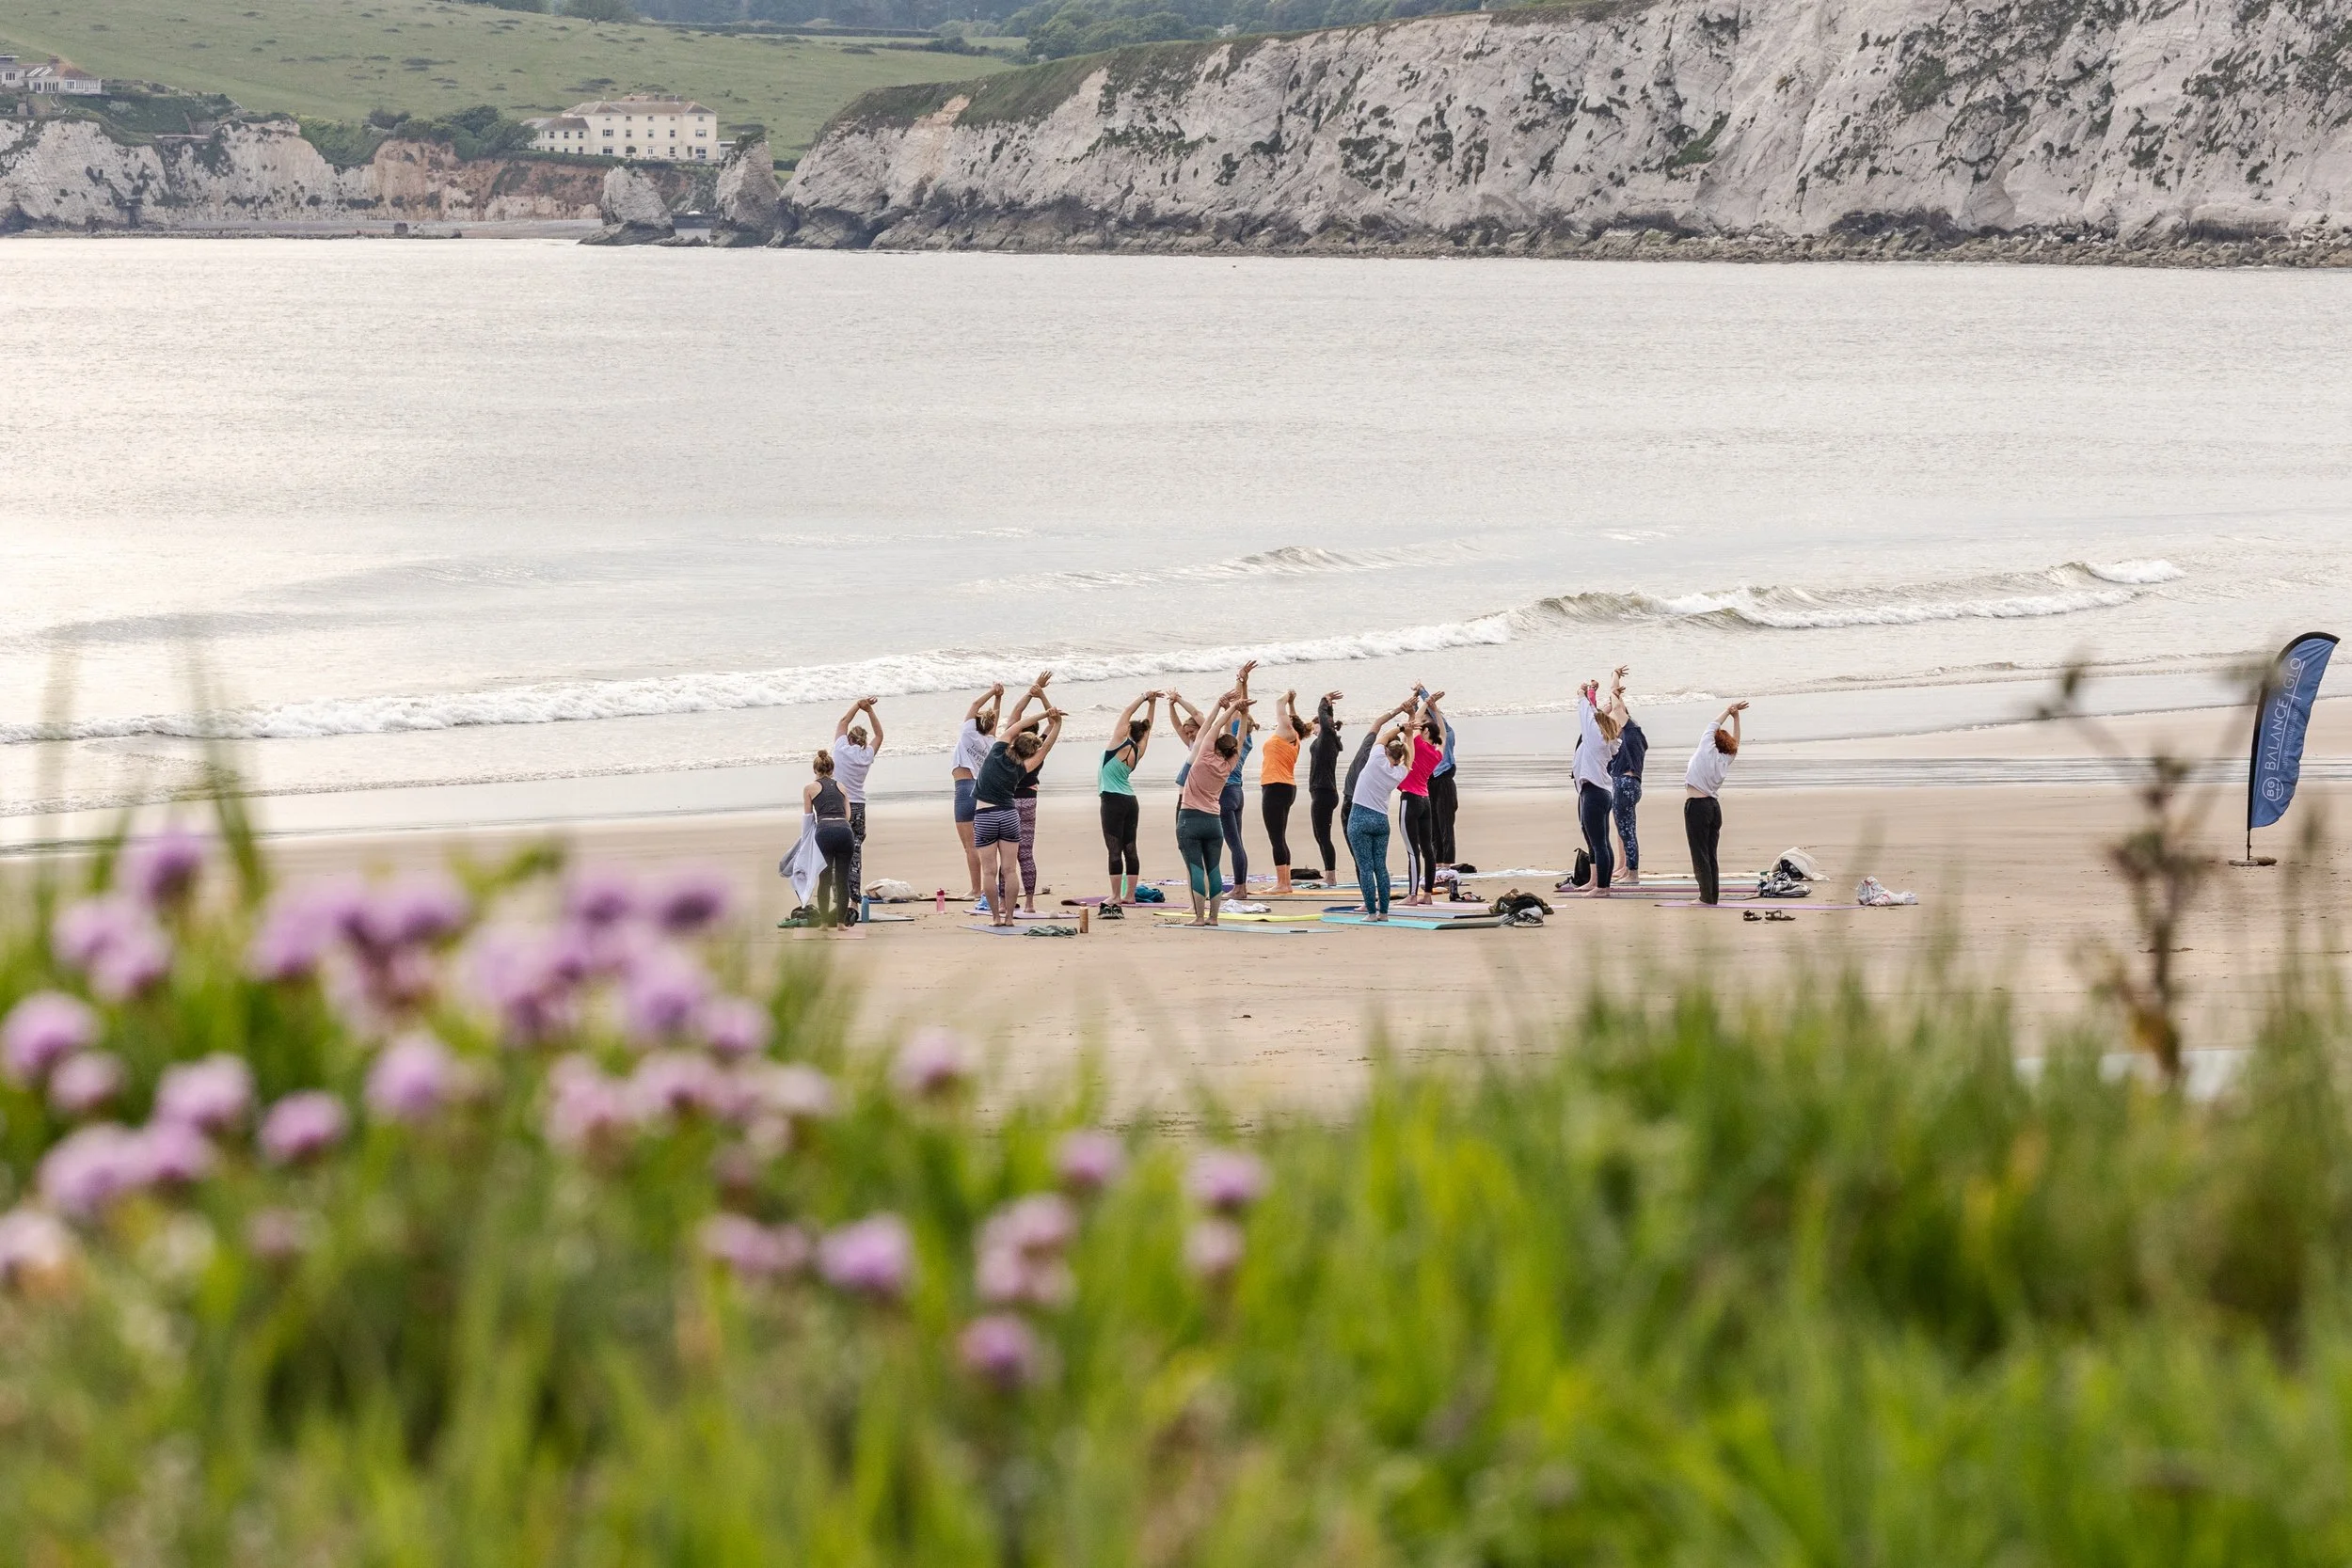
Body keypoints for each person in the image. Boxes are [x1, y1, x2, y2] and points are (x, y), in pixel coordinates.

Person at [972, 705, 1065, 928]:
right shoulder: (1024, 766)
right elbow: (1046, 748)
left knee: (989, 871)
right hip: (1009, 815)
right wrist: (1058, 724)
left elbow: (1017, 725)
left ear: (1014, 743)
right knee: (1010, 869)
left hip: (985, 815)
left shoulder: (996, 751)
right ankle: (1011, 919)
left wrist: (1046, 714)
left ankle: (996, 917)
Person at [1175, 684, 1253, 926]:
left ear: (1216, 746)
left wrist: (1228, 708)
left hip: (1190, 818)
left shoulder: (1204, 755)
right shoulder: (1229, 765)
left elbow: (1213, 726)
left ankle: (1199, 917)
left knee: (1196, 867)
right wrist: (1241, 712)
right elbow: (1240, 738)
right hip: (1213, 821)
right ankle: (1214, 918)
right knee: (1214, 869)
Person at [1344, 699, 1417, 921]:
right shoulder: (1401, 772)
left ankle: (1371, 913)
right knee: (1381, 868)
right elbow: (1410, 754)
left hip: (1360, 818)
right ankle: (1384, 913)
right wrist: (1410, 732)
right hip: (1381, 821)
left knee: (1366, 868)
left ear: (1386, 752)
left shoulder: (1376, 758)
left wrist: (1401, 727)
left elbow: (1381, 736)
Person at [1002, 671, 1057, 915]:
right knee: (1025, 853)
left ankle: (1004, 903)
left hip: (1007, 801)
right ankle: (1030, 903)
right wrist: (1042, 695)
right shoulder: (1038, 750)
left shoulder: (1012, 747)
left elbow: (1015, 715)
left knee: (1006, 856)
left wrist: (1031, 691)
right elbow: (1054, 722)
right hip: (1029, 801)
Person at [1100, 690, 1159, 906]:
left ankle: (1116, 896)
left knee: (1114, 849)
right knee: (1130, 848)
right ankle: (1130, 896)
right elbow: (1148, 729)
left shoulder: (1118, 743)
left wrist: (1145, 697)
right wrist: (1152, 704)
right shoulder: (1137, 750)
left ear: (1127, 731)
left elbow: (1127, 711)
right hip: (1130, 801)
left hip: (1112, 800)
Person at [1684, 700, 1745, 906]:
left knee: (1700, 854)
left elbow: (1712, 725)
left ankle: (1705, 897)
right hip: (1713, 808)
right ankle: (1712, 896)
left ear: (1713, 742)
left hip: (1698, 807)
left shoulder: (1706, 750)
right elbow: (1736, 742)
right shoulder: (1725, 759)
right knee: (1710, 854)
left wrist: (1728, 712)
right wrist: (1737, 718)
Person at [830, 696, 883, 915]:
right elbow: (880, 735)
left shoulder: (840, 748)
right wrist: (870, 711)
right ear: (862, 741)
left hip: (839, 804)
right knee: (855, 854)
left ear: (849, 738)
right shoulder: (866, 755)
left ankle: (838, 901)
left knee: (835, 854)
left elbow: (843, 720)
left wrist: (858, 705)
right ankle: (853, 901)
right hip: (859, 806)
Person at [1573, 670, 1624, 896]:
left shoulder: (1593, 738)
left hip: (1594, 794)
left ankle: (1603, 887)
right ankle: (1600, 884)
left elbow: (1586, 713)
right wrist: (1592, 693)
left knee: (1599, 843)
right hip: (1601, 792)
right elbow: (1593, 714)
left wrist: (1581, 693)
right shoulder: (1606, 739)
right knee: (1601, 841)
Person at [952, 686, 1003, 903]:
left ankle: (976, 889)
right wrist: (999, 699)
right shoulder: (991, 743)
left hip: (964, 790)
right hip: (983, 793)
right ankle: (989, 886)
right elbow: (993, 724)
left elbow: (975, 705)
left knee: (970, 846)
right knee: (985, 844)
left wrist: (993, 692)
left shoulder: (968, 734)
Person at [1397, 689, 1446, 906]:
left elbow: (1416, 720)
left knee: (1412, 850)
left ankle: (1412, 896)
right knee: (1428, 849)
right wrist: (1436, 710)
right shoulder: (1437, 753)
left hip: (1410, 799)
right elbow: (1443, 734)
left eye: (1423, 728)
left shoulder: (1418, 744)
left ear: (1425, 732)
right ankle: (1427, 895)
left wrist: (1426, 703)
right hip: (1425, 800)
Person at [803, 750, 858, 928]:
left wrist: (805, 842)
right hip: (844, 831)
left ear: (815, 770)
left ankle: (825, 923)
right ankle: (841, 923)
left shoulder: (809, 788)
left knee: (824, 879)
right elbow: (848, 815)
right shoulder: (842, 787)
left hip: (824, 831)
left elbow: (808, 817)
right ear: (832, 770)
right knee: (842, 879)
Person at [1216, 667, 1257, 901]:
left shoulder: (1233, 733)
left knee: (1234, 844)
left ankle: (1240, 888)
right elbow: (1242, 710)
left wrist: (1241, 680)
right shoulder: (1247, 740)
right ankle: (1239, 885)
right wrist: (1242, 682)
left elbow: (1241, 708)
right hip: (1237, 793)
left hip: (1227, 794)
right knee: (1237, 843)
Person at [1260, 690, 1304, 894]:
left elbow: (1279, 703)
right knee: (1280, 837)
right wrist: (1293, 704)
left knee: (1276, 837)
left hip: (1276, 786)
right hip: (1285, 786)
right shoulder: (1294, 737)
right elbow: (1293, 718)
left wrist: (1288, 696)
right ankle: (1284, 882)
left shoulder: (1287, 733)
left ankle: (1282, 884)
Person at [1605, 670, 1646, 887]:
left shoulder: (1632, 732)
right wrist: (1615, 683)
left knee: (1627, 831)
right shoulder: (1629, 738)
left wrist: (1614, 681)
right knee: (1626, 829)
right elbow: (1616, 707)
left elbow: (1618, 707)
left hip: (1625, 784)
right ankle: (1628, 870)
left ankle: (1633, 874)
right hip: (1630, 785)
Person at [1306, 690, 1344, 884]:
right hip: (1322, 792)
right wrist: (1329, 708)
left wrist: (1323, 701)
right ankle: (1329, 874)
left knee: (1323, 836)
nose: (1313, 731)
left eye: (1314, 727)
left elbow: (1325, 721)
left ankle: (1330, 876)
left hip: (1324, 793)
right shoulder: (1328, 739)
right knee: (1320, 835)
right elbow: (1327, 722)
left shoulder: (1327, 739)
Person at [1427, 697, 1460, 876]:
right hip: (1431, 783)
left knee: (1445, 823)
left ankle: (1447, 863)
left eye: (1427, 721)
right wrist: (1415, 703)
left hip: (1445, 782)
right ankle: (1437, 862)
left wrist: (1425, 696)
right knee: (1433, 825)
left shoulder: (1446, 733)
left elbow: (1435, 713)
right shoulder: (1430, 740)